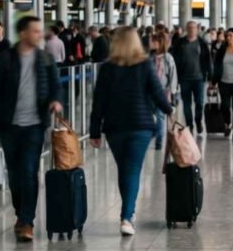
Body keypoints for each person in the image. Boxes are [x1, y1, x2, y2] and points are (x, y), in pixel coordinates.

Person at [0, 16, 63, 242]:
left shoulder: (45, 58)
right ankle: (21, 213)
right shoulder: (5, 59)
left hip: (35, 125)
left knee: (29, 171)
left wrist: (56, 101)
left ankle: (27, 220)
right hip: (9, 125)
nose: (39, 35)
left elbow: (56, 86)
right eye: (35, 31)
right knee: (15, 174)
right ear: (23, 33)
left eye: (40, 30)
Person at [89, 28, 174, 236]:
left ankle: (128, 213)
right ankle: (127, 216)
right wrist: (169, 110)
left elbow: (99, 101)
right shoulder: (144, 65)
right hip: (140, 125)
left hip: (115, 126)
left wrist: (94, 131)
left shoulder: (107, 68)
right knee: (131, 169)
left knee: (125, 169)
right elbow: (157, 92)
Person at [172, 21, 212, 135]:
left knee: (199, 102)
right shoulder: (180, 43)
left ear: (197, 29)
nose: (191, 30)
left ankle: (198, 121)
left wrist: (210, 76)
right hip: (184, 78)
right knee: (186, 104)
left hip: (199, 78)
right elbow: (175, 59)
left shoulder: (202, 43)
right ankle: (189, 124)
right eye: (189, 27)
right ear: (186, 29)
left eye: (193, 27)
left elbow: (207, 60)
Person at [150, 32, 178, 151]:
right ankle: (154, 133)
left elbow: (173, 75)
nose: (151, 43)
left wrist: (171, 92)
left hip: (163, 91)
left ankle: (159, 141)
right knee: (150, 115)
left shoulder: (168, 58)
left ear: (159, 43)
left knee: (160, 116)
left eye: (153, 41)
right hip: (150, 91)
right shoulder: (150, 57)